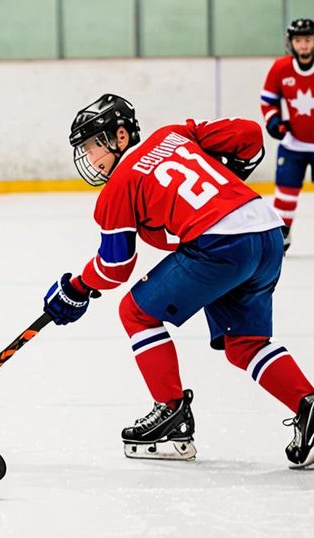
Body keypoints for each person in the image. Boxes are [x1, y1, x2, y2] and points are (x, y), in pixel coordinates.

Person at [42, 94, 314, 468]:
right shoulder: (174, 135)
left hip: (221, 244)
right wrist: (229, 175)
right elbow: (250, 134)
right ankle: (307, 406)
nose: (90, 159)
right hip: (265, 228)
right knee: (245, 344)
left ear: (120, 137)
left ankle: (171, 417)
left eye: (92, 146)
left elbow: (116, 265)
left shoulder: (119, 185)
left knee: (136, 313)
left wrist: (75, 288)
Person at [261, 18, 314, 252]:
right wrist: (273, 121)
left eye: (308, 40)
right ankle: (282, 233)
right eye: (299, 40)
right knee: (285, 193)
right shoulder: (281, 68)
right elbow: (268, 100)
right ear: (291, 43)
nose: (304, 45)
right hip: (293, 144)